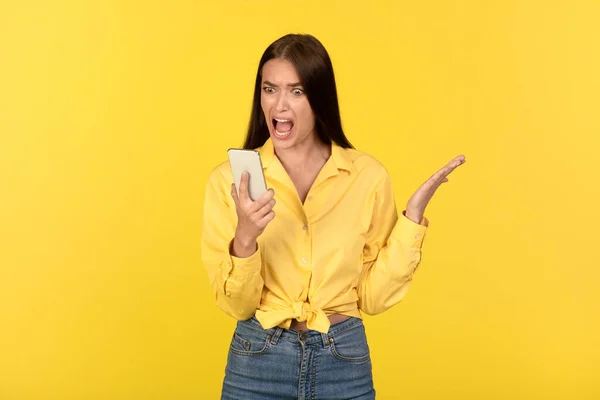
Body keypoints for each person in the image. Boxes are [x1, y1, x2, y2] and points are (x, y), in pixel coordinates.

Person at [201, 33, 466, 400]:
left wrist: (413, 219)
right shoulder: (228, 181)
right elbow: (237, 305)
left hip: (342, 361)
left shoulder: (367, 176)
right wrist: (245, 238)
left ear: (319, 98)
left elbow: (372, 298)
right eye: (269, 89)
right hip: (257, 362)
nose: (279, 104)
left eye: (297, 91)